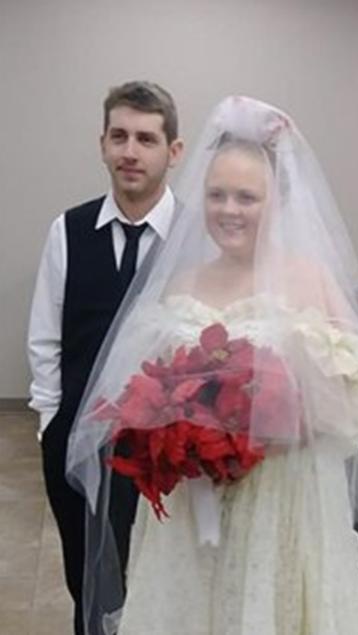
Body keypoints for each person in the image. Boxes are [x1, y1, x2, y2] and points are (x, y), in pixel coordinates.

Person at [66, 96, 358, 634]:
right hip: (191, 506)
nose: (229, 210)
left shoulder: (310, 279)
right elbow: (140, 394)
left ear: (278, 202)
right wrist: (177, 433)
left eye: (248, 197)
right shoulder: (182, 282)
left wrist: (263, 423)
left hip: (281, 503)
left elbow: (352, 404)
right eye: (217, 194)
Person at [27, 81, 183, 635]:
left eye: (146, 138)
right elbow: (46, 337)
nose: (130, 151)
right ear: (102, 144)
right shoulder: (67, 231)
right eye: (119, 136)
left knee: (157, 583)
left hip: (166, 452)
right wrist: (51, 424)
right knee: (86, 581)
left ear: (174, 151)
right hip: (76, 440)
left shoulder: (195, 240)